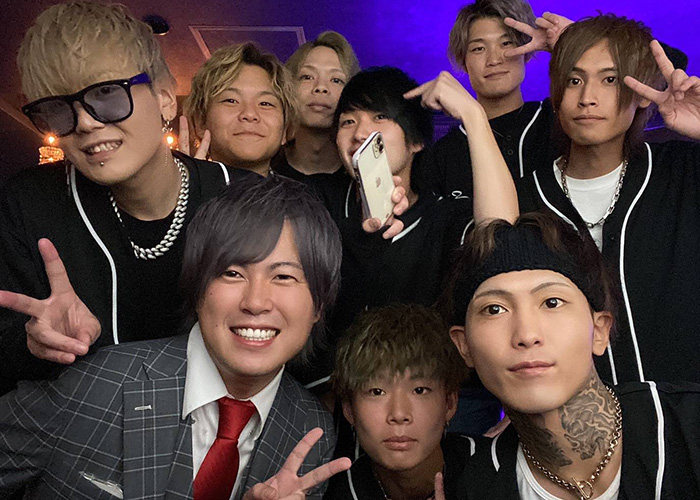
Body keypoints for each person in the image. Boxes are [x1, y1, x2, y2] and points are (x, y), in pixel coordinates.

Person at [0, 174, 351, 499]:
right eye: (232, 273)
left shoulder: (311, 431)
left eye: (284, 277)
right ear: (198, 289)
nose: (256, 302)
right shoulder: (96, 383)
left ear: (319, 305)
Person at [0, 1, 252, 396]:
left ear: (165, 97)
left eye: (106, 94)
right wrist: (34, 345)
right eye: (58, 109)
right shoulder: (27, 204)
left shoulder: (245, 199)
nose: (86, 123)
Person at [296, 66, 518, 437]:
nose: (361, 132)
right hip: (329, 408)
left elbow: (500, 232)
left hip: (428, 415)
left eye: (379, 118)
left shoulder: (442, 219)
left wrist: (474, 116)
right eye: (348, 121)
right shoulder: (316, 201)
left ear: (416, 141)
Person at [436, 212, 700, 499]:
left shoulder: (688, 428)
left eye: (552, 302)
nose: (526, 334)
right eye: (494, 309)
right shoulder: (475, 485)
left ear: (599, 331)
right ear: (463, 345)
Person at [516, 13, 700, 385]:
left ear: (641, 92)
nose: (587, 98)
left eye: (610, 79)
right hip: (574, 413)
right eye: (574, 80)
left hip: (685, 411)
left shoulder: (683, 171)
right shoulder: (524, 197)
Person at [415, 0, 569, 199]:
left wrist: (572, 43)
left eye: (506, 43)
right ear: (463, 60)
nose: (494, 60)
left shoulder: (559, 119)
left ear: (527, 51)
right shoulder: (443, 154)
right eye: (478, 49)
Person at [325, 304, 473, 500]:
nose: (399, 414)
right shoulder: (335, 493)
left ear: (450, 403)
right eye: (377, 392)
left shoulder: (496, 470)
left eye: (419, 390)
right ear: (349, 410)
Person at [182, 42, 297, 177]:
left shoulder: (299, 191)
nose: (249, 114)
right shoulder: (180, 187)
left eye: (265, 103)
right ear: (201, 121)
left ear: (284, 130)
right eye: (231, 101)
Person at [273, 31, 360, 179]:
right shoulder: (266, 169)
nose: (321, 87)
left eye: (336, 80)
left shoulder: (364, 176)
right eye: (307, 77)